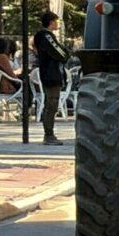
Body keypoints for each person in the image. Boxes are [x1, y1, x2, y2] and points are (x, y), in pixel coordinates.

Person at [33, 11, 69, 146]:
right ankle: (49, 134)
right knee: (52, 104)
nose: (58, 24)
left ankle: (49, 133)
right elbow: (60, 52)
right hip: (51, 74)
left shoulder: (44, 36)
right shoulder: (46, 36)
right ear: (51, 22)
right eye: (56, 21)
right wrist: (66, 55)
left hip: (50, 73)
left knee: (52, 103)